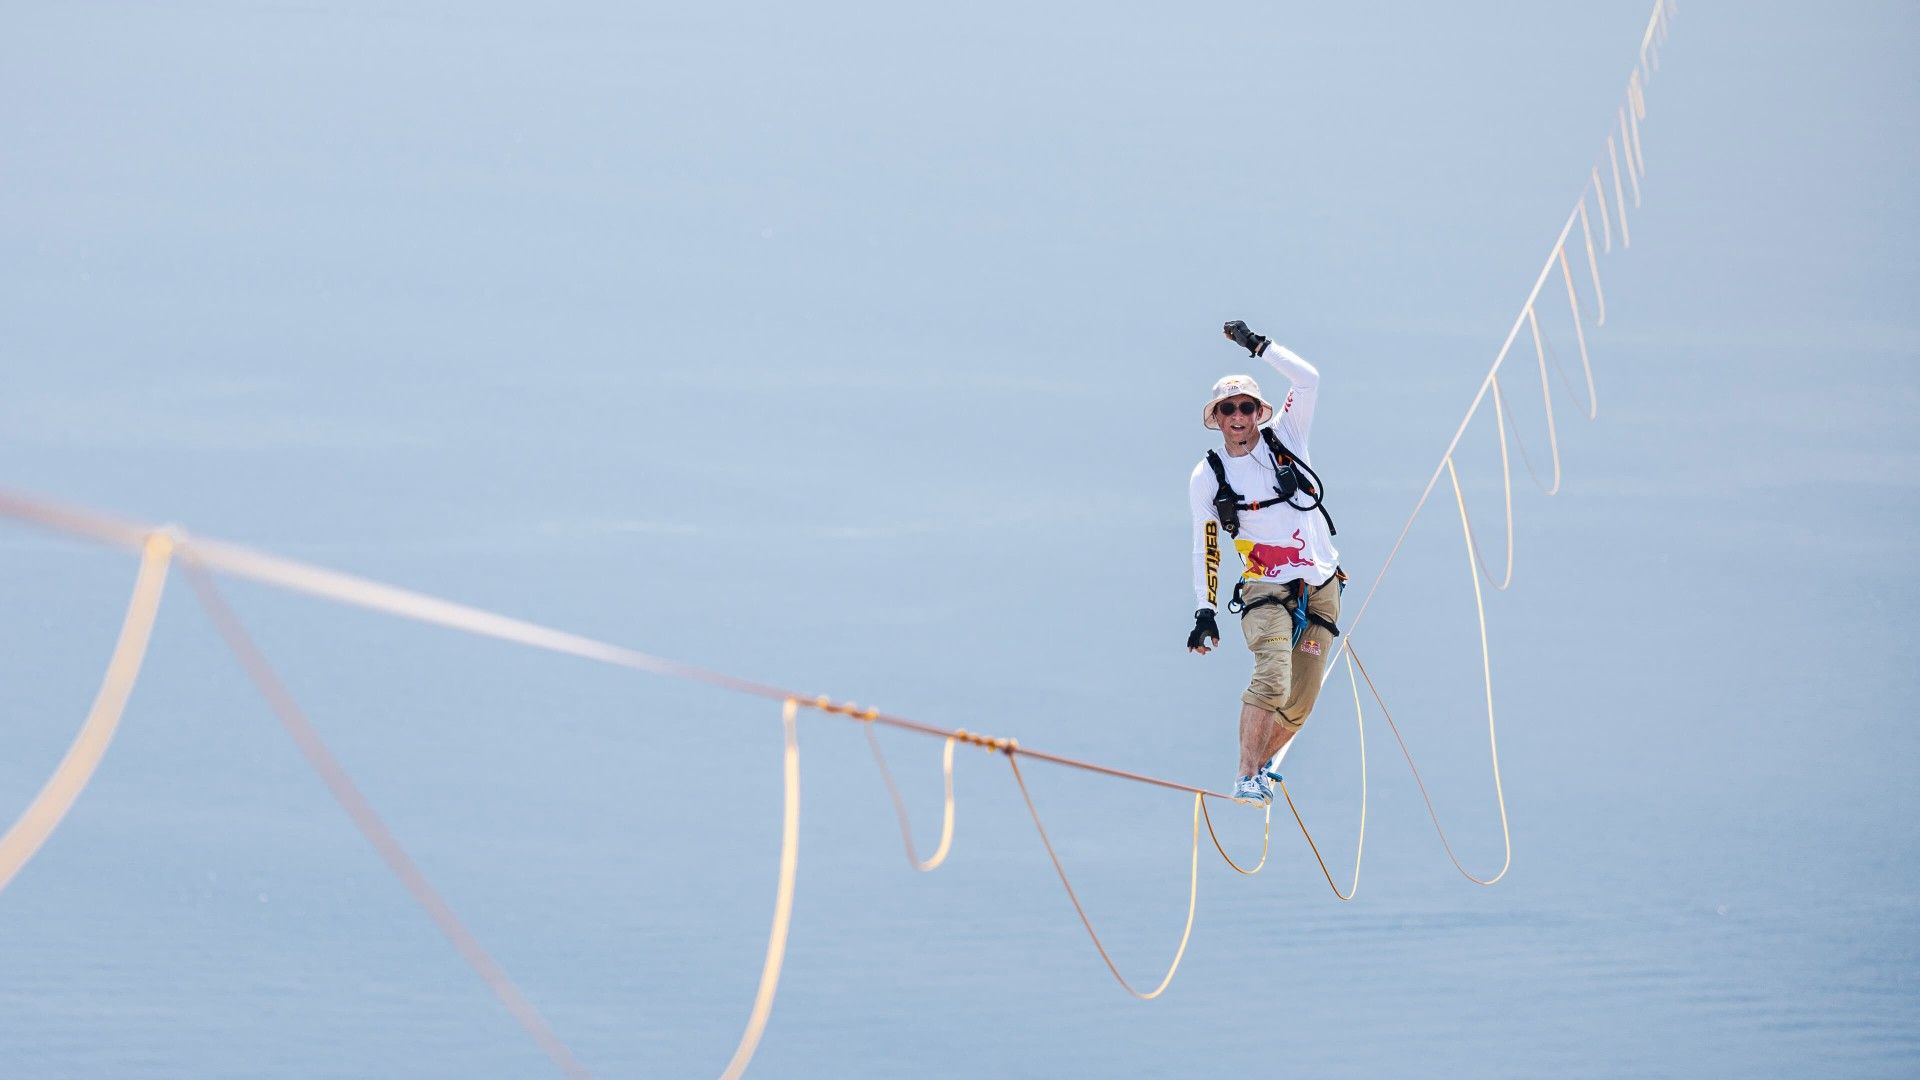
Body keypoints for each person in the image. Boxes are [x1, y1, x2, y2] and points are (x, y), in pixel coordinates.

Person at [1186, 320, 1345, 807]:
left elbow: (1309, 379)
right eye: (1228, 409)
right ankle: (1245, 774)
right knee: (1272, 676)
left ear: (1259, 411)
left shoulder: (1288, 436)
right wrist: (1204, 611)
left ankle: (1259, 767)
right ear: (1216, 418)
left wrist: (1259, 346)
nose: (1239, 416)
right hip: (1264, 588)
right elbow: (1206, 545)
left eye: (1247, 406)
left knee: (1300, 702)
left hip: (1320, 583)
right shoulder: (1208, 476)